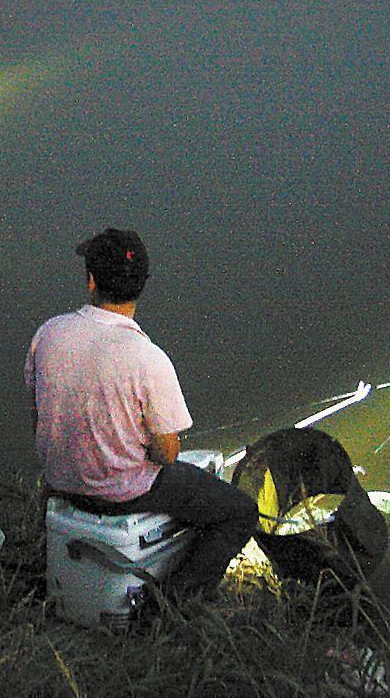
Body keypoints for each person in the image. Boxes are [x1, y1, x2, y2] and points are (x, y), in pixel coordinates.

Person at [26, 228, 258, 601]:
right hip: (123, 493)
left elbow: (39, 416)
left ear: (91, 282)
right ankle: (174, 603)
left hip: (60, 480)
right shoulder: (148, 358)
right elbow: (166, 453)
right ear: (142, 286)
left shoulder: (49, 334)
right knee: (240, 512)